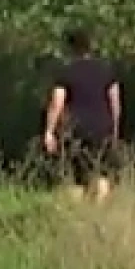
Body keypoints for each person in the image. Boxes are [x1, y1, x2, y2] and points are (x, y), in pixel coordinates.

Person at [43, 29, 121, 201]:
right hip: (102, 127)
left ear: (70, 49)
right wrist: (115, 129)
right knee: (101, 172)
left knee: (76, 177)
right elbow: (115, 103)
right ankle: (100, 210)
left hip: (76, 129)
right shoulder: (106, 71)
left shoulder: (66, 73)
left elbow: (57, 102)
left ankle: (78, 214)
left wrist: (49, 131)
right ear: (91, 47)